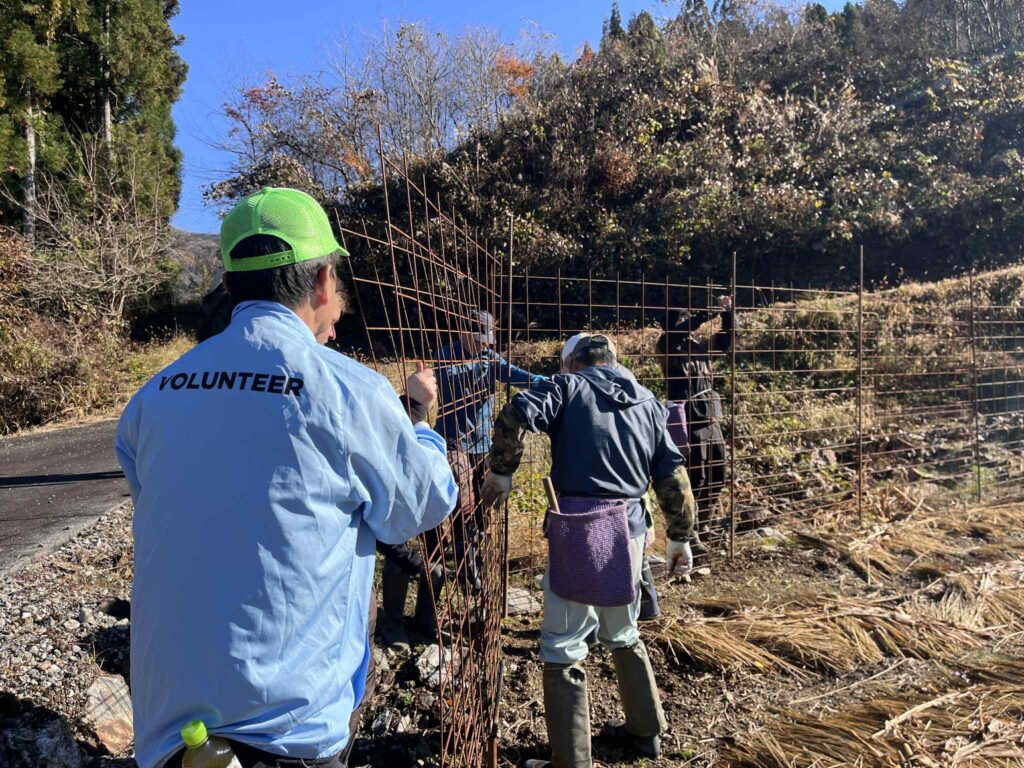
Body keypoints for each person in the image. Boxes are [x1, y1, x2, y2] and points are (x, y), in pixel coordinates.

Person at [115, 187, 459, 768]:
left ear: (229, 287)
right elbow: (420, 506)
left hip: (169, 731)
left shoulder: (153, 397)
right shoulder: (349, 390)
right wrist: (420, 423)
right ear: (324, 281)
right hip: (288, 736)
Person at [481, 334, 696, 768]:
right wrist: (680, 536)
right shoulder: (648, 401)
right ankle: (646, 732)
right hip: (632, 528)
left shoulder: (567, 387)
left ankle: (571, 760)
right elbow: (672, 472)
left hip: (579, 528)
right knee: (623, 630)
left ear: (570, 363)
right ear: (614, 361)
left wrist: (501, 472)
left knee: (563, 642)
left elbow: (517, 411)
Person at [377, 310, 546, 650]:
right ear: (463, 331)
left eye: (489, 338)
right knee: (458, 514)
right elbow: (442, 378)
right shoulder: (445, 358)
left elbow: (516, 375)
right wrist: (479, 366)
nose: (485, 344)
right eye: (479, 337)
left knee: (482, 515)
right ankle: (457, 574)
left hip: (483, 447)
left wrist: (553, 384)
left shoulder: (490, 357)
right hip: (453, 446)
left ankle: (472, 565)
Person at [656, 295, 734, 555]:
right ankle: (693, 533)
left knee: (717, 475)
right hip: (686, 422)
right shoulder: (667, 345)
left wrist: (727, 313)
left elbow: (726, 340)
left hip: (711, 420)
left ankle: (706, 524)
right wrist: (707, 312)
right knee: (695, 478)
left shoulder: (701, 349)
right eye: (684, 320)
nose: (689, 324)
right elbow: (679, 334)